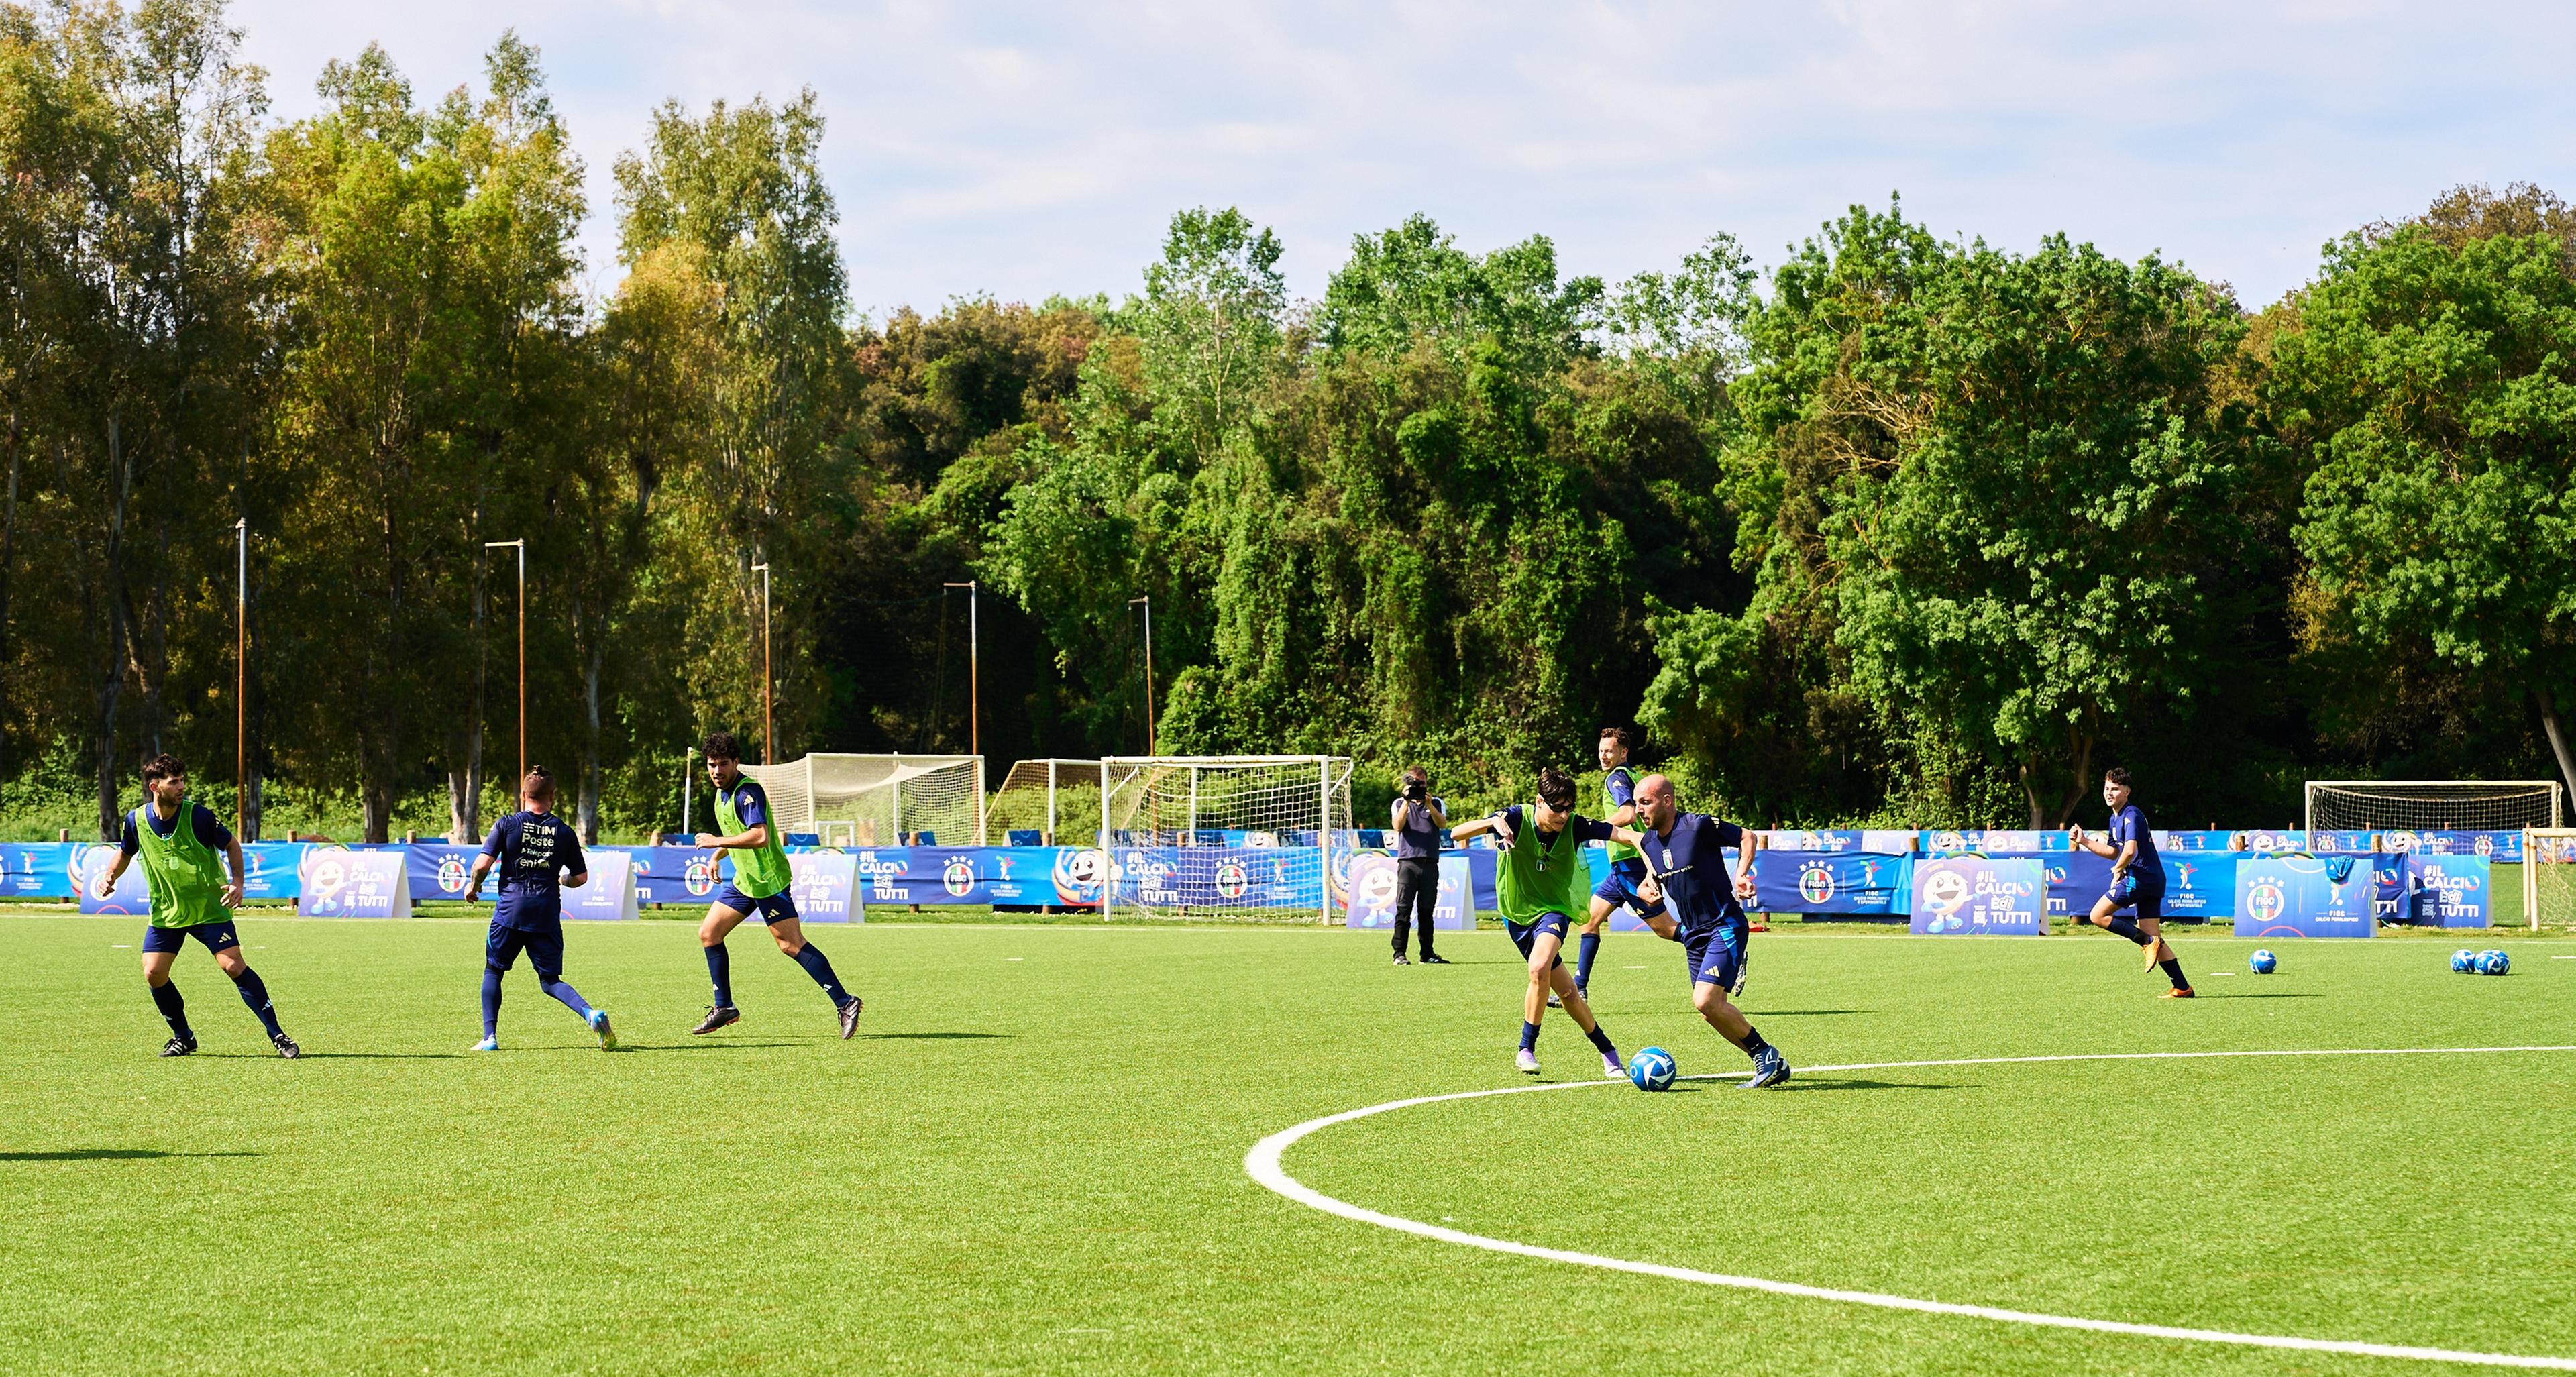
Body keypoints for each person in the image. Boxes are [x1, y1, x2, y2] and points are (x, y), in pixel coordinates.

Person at [99, 754, 299, 1058]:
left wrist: (238, 882)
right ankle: (183, 1037)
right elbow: (125, 852)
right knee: (154, 973)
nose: (181, 787)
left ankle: (278, 1035)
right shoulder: (135, 820)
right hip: (167, 911)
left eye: (182, 780)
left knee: (233, 965)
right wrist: (110, 876)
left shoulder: (199, 816)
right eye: (174, 782)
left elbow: (231, 844)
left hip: (209, 909)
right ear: (155, 787)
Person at [1609, 775, 1790, 1088]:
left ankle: (1765, 1054)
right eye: (1636, 803)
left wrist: (1742, 874)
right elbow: (1653, 876)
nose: (1638, 810)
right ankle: (1769, 1062)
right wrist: (1646, 887)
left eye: (1645, 802)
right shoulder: (1649, 843)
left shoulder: (1697, 826)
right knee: (1710, 1010)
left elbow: (1747, 837)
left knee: (1705, 1000)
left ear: (1667, 801)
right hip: (1694, 935)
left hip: (1724, 923)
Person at [1449, 767, 1625, 1079]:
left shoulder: (1575, 825)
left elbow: (1627, 836)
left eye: (1569, 808)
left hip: (1555, 910)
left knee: (1539, 965)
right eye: (1558, 808)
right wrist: (1492, 822)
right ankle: (1609, 1052)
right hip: (1517, 916)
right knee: (1569, 994)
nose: (1564, 815)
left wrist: (1653, 861)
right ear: (1540, 802)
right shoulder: (1516, 818)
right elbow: (1456, 833)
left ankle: (1526, 1048)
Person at [690, 732, 862, 1038]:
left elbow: (759, 836)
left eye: (723, 764)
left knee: (791, 945)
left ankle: (845, 1002)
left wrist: (715, 841)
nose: (717, 770)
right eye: (712, 764)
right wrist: (718, 854)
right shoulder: (722, 794)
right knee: (709, 934)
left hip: (768, 882)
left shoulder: (747, 793)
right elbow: (739, 833)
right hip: (746, 882)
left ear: (736, 763)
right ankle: (724, 1007)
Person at [463, 767, 616, 1051]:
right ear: (553, 796)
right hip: (546, 912)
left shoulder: (507, 824)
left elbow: (482, 865)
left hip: (510, 911)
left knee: (494, 970)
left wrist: (474, 886)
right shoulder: (564, 831)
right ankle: (590, 1014)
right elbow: (581, 877)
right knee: (549, 981)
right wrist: (560, 879)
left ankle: (489, 1038)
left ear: (523, 794)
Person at [2069, 767, 2193, 998]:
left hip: (2141, 878)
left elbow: (2129, 851)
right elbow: (2113, 851)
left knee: (2098, 915)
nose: (2109, 793)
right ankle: (2182, 987)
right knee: (2155, 938)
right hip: (2152, 879)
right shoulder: (2115, 818)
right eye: (2107, 788)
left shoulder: (2131, 814)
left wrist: (2118, 870)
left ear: (2127, 792)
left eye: (2115, 789)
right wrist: (2084, 841)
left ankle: (2146, 942)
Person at [1573, 727, 1661, 999]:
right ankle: (1579, 988)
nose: (1603, 756)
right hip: (1621, 867)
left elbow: (1627, 813)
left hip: (1630, 864)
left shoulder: (1617, 777)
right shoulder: (1635, 776)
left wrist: (1596, 828)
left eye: (1609, 751)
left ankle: (1720, 948)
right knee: (1589, 921)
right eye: (1601, 751)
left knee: (1667, 929)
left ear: (1623, 753)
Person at [1387, 766, 1450, 966]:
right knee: (1403, 910)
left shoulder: (1437, 802)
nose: (1418, 787)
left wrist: (1430, 805)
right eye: (1414, 783)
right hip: (1408, 862)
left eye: (1421, 783)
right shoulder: (1399, 803)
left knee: (1426, 911)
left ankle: (1427, 954)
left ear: (1427, 783)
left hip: (1430, 862)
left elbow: (1442, 824)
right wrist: (1407, 801)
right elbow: (1397, 826)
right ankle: (1399, 954)